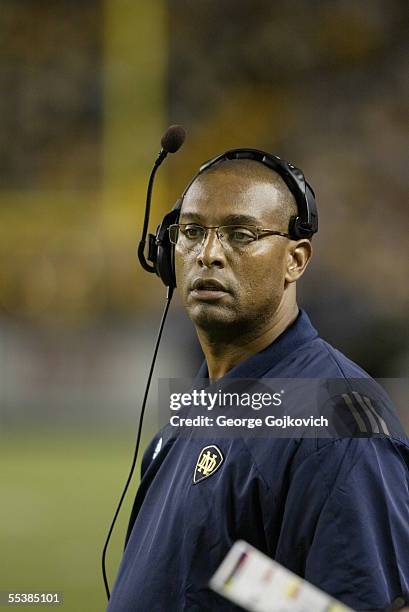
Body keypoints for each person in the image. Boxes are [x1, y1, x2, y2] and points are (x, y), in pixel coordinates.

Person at [107, 154, 409, 611]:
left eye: (240, 234)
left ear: (295, 260)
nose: (208, 253)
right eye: (191, 233)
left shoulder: (338, 418)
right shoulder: (200, 404)